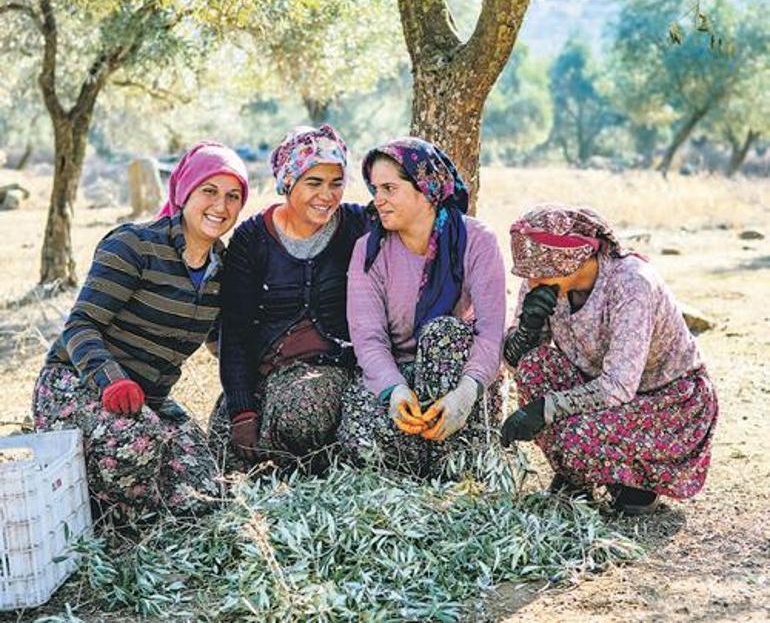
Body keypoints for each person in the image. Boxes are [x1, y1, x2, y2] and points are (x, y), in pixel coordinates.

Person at [32, 142, 249, 522]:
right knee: (137, 443)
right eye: (209, 192)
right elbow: (80, 327)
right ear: (185, 193)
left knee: (203, 493)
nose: (221, 206)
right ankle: (87, 508)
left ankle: (125, 496)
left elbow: (222, 343)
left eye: (233, 197)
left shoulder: (223, 268)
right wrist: (112, 381)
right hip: (78, 384)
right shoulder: (134, 245)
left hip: (148, 399)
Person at [500, 203, 719, 514]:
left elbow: (617, 386)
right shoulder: (542, 282)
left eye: (538, 271)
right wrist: (526, 331)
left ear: (568, 259)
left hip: (667, 403)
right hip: (599, 394)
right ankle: (578, 475)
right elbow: (519, 364)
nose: (531, 281)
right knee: (535, 365)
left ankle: (636, 482)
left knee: (576, 439)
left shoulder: (631, 283)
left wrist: (545, 409)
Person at [339, 137, 506, 477]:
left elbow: (491, 333)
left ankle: (456, 461)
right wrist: (395, 389)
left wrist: (466, 393)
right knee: (361, 443)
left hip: (460, 377)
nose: (378, 200)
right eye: (375, 189)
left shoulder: (477, 241)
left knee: (444, 332)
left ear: (426, 189)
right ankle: (419, 463)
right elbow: (368, 338)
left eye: (389, 188)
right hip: (397, 375)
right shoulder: (368, 250)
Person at [210, 124, 369, 473]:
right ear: (287, 182)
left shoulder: (359, 225)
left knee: (301, 414)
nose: (326, 195)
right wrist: (242, 409)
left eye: (336, 183)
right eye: (314, 183)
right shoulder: (252, 238)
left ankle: (313, 469)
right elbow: (234, 331)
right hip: (263, 374)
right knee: (223, 446)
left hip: (327, 370)